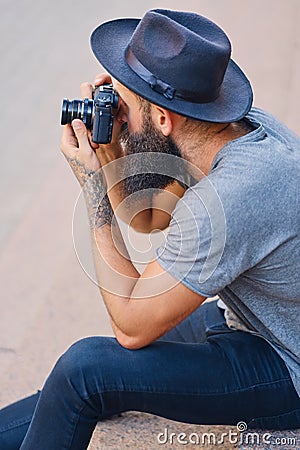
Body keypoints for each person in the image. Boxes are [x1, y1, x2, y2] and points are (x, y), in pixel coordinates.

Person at [0, 8, 299, 449]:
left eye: (126, 100)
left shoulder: (231, 195)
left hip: (285, 364)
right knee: (105, 370)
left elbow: (132, 325)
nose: (117, 108)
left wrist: (91, 188)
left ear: (163, 118)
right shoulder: (225, 132)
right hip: (257, 320)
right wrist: (109, 149)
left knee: (86, 370)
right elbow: (147, 217)